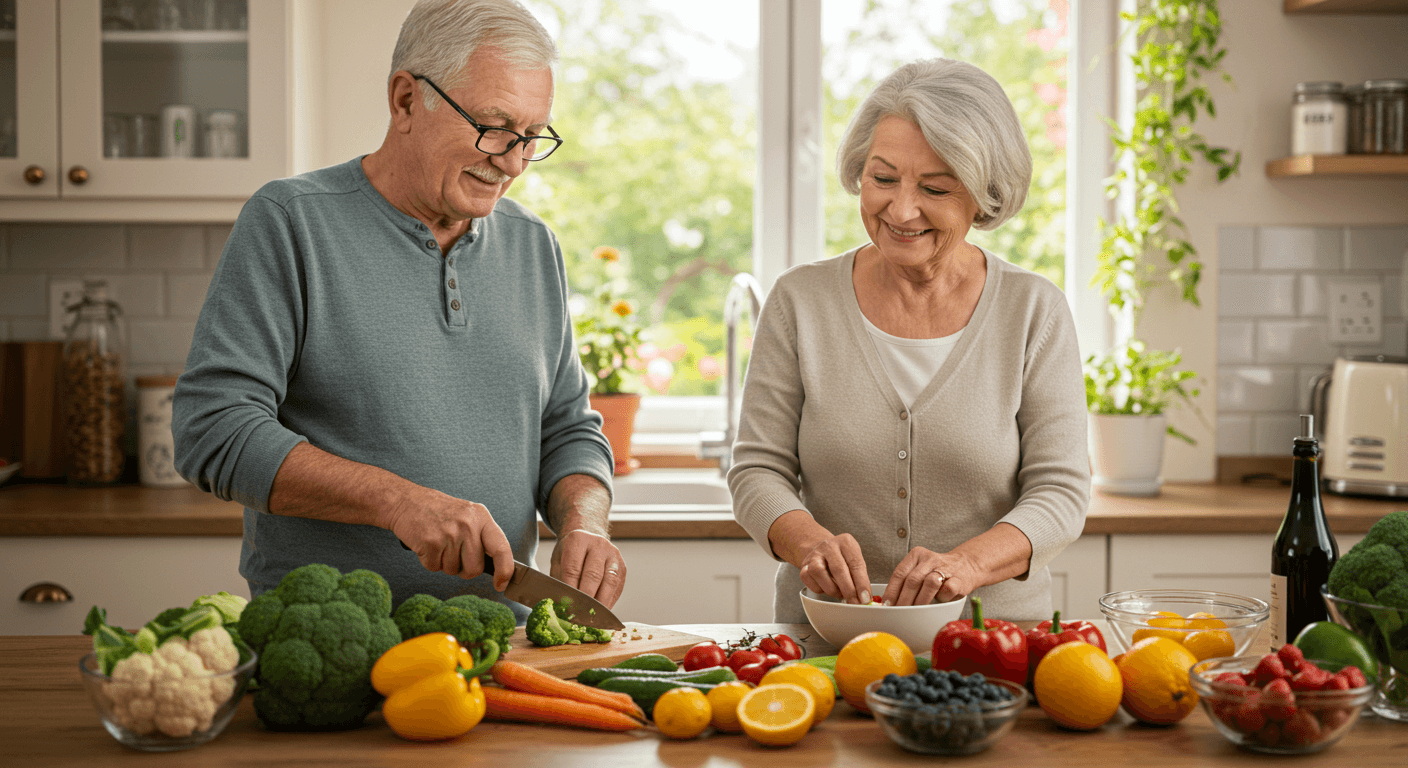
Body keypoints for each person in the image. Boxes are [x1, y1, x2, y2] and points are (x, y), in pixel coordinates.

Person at [172, 0, 625, 620]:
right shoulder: (290, 222)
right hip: (332, 640)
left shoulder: (532, 244)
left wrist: (586, 522)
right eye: (493, 127)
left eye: (530, 137)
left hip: (501, 647)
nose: (513, 162)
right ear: (406, 100)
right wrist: (396, 501)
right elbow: (212, 430)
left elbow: (567, 428)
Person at [728, 58, 1089, 623]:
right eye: (883, 177)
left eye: (935, 188)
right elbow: (757, 470)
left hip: (992, 643)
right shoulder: (800, 301)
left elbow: (1061, 493)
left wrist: (966, 567)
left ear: (983, 194)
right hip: (826, 636)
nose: (900, 209)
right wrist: (807, 543)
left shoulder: (1032, 309)